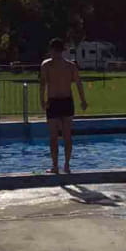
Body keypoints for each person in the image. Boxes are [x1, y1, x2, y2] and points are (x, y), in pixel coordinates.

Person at [39, 37, 88, 175]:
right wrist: (83, 100)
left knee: (60, 136)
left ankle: (63, 165)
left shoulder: (49, 65)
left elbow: (43, 84)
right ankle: (60, 165)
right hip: (60, 101)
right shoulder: (67, 65)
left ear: (52, 50)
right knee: (60, 136)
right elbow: (78, 83)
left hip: (59, 101)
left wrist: (41, 100)